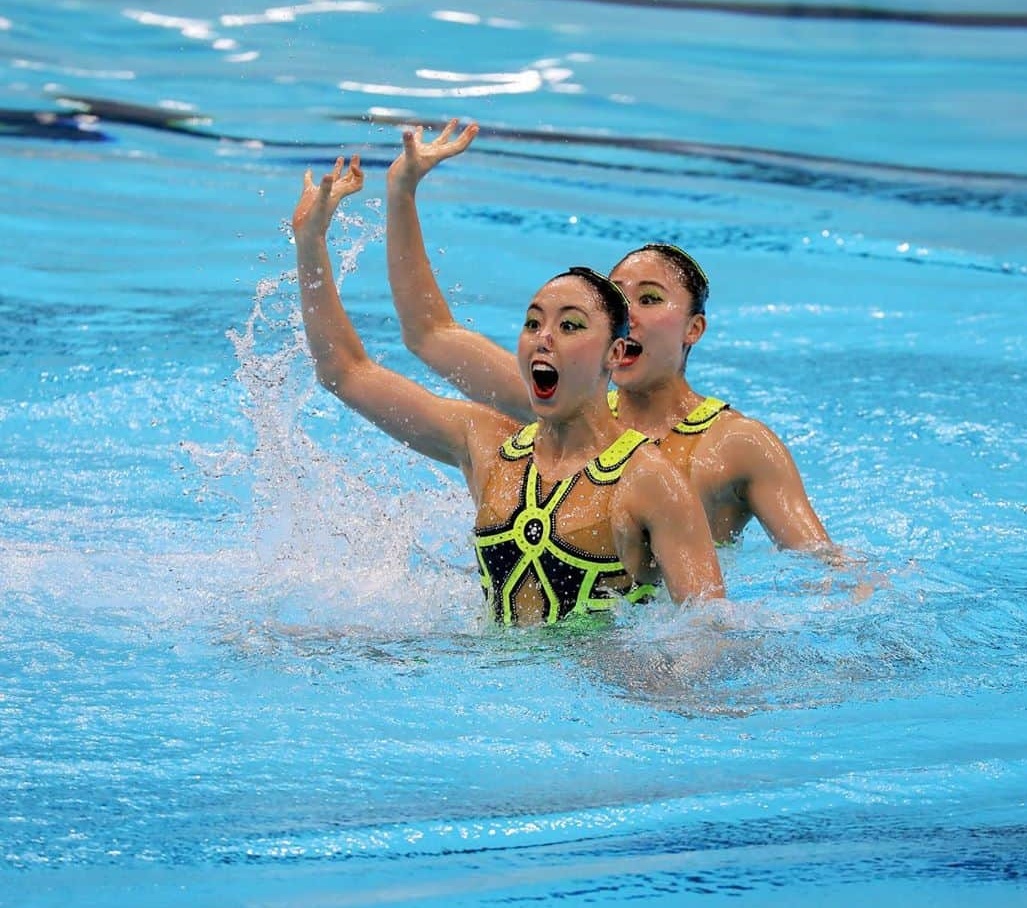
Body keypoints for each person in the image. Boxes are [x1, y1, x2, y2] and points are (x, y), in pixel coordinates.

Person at [290, 154, 727, 625]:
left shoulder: (650, 481)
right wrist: (310, 242)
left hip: (601, 684)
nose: (545, 337)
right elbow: (346, 372)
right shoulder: (485, 445)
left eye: (571, 326)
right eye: (533, 322)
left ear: (616, 354)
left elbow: (710, 629)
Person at [384, 121, 836, 554]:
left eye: (651, 299)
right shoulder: (569, 402)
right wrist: (402, 192)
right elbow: (430, 334)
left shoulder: (737, 446)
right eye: (618, 300)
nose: (628, 315)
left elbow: (822, 565)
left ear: (694, 328)